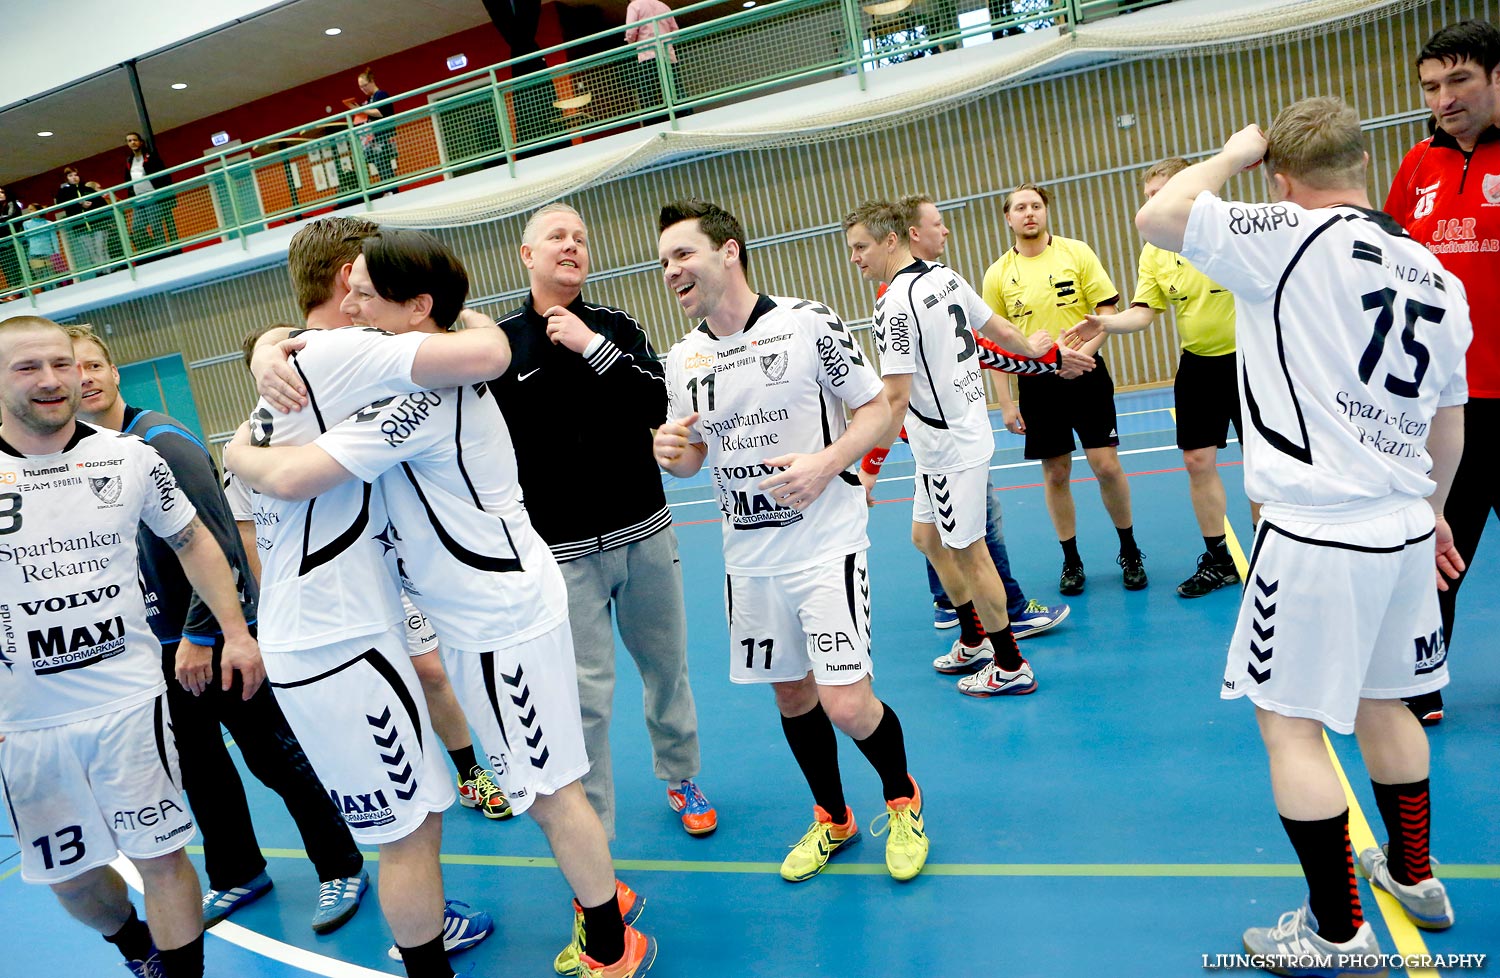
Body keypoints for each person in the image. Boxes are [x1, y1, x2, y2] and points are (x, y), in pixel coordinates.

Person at [226, 227, 655, 978]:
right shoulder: (420, 362)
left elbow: (295, 476)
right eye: (349, 289)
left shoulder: (419, 397)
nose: (355, 305)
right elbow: (474, 335)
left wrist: (233, 454)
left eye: (369, 292)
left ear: (414, 307)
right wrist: (271, 345)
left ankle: (611, 942)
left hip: (500, 615)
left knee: (550, 790)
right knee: (543, 786)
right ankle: (605, 908)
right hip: (485, 608)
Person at [1137, 97, 1469, 971]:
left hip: (1318, 528)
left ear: (1281, 176)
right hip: (1401, 525)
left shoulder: (1284, 231)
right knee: (1386, 703)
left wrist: (1232, 149)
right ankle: (1417, 876)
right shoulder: (1436, 273)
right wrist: (1435, 513)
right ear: (1363, 164)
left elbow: (1158, 213)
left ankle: (1337, 929)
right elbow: (1450, 427)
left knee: (1290, 727)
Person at [223, 218, 506, 978]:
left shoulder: (289, 368)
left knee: (409, 818)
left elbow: (244, 466)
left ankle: (427, 927)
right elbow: (485, 347)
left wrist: (260, 356)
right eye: (373, 272)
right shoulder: (350, 354)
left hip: (315, 632)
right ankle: (424, 956)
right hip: (337, 639)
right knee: (408, 833)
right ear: (350, 276)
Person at [653, 198, 930, 885]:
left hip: (825, 545)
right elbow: (693, 458)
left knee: (846, 703)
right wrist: (671, 450)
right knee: (793, 697)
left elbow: (877, 409)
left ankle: (901, 798)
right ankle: (832, 817)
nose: (670, 270)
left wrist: (828, 462)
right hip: (747, 557)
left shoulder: (806, 324)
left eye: (683, 254)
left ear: (729, 251)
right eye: (663, 261)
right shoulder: (682, 358)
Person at [68, 325, 372, 934]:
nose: (86, 379)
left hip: (218, 637)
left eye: (95, 365)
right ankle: (237, 873)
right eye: (74, 370)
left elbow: (221, 546)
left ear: (114, 371)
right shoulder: (90, 457)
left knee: (275, 757)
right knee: (200, 768)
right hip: (158, 649)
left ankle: (341, 863)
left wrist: (208, 635)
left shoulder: (162, 443)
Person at [0, 314, 264, 978]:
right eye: (28, 367)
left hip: (128, 700)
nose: (53, 380)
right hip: (26, 722)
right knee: (75, 884)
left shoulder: (129, 456)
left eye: (62, 363)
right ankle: (133, 942)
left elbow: (193, 539)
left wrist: (234, 631)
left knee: (162, 855)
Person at [222, 324, 512, 823]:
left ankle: (469, 772)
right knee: (373, 713)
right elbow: (249, 532)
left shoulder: (341, 421)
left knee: (430, 672)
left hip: (383, 574)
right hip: (318, 608)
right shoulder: (249, 444)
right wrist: (269, 596)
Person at [492, 203, 711, 846]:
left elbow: (656, 400)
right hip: (561, 556)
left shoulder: (615, 326)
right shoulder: (500, 344)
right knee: (585, 699)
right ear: (527, 255)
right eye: (557, 237)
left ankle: (681, 774)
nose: (572, 246)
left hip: (644, 535)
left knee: (666, 670)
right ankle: (594, 827)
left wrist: (591, 349)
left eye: (581, 238)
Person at [846, 200, 1091, 697]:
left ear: (891, 240)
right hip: (953, 438)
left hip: (948, 447)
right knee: (927, 538)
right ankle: (974, 637)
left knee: (969, 552)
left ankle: (1009, 663)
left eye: (861, 247)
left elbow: (893, 399)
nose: (854, 257)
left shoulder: (895, 303)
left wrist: (868, 468)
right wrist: (1047, 358)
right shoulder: (943, 277)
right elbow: (997, 332)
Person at [1060, 160, 1250, 598]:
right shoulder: (1155, 249)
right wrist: (1104, 324)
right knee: (1196, 462)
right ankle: (1219, 560)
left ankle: (1270, 557)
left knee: (1262, 463)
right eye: (1148, 197)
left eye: (1162, 193)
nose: (1153, 205)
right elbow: (1145, 312)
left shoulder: (1229, 228)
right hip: (1198, 365)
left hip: (1249, 362)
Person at [1384, 19, 1500, 727]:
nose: (1444, 99)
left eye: (1459, 80)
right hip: (1445, 409)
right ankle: (1421, 680)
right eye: (1431, 87)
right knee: (1436, 549)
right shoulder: (1418, 165)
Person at [895, 193, 1071, 638]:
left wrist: (1042, 358)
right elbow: (979, 349)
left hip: (953, 428)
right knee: (965, 532)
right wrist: (1045, 361)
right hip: (947, 434)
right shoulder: (902, 296)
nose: (947, 229)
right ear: (912, 233)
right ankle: (1002, 620)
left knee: (943, 529)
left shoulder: (940, 280)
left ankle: (965, 619)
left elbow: (981, 343)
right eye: (938, 223)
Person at [983, 183, 1147, 594]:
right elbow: (994, 343)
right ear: (1008, 218)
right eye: (1020, 208)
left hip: (1086, 375)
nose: (1029, 213)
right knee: (1055, 472)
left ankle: (1129, 551)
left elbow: (1107, 309)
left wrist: (1083, 356)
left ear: (1045, 212)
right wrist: (1006, 404)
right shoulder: (998, 274)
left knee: (1106, 466)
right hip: (1036, 384)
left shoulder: (1077, 252)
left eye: (1036, 205)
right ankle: (1071, 560)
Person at [623, 0, 683, 117]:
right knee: (674, 89)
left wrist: (631, 42)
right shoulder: (663, 6)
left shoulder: (635, 5)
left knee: (649, 93)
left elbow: (630, 32)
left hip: (648, 55)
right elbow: (675, 32)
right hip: (668, 55)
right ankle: (684, 115)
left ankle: (652, 121)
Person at [123, 132, 176, 255]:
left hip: (152, 196)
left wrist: (164, 193)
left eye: (135, 140)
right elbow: (128, 180)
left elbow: (163, 175)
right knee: (136, 229)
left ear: (140, 142)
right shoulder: (129, 160)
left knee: (156, 227)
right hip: (138, 200)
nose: (132, 143)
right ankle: (152, 251)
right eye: (129, 141)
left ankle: (163, 252)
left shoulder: (151, 157)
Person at [355, 68, 399, 186]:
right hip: (375, 136)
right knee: (379, 164)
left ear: (371, 82)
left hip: (383, 135)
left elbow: (381, 113)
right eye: (360, 87)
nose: (363, 89)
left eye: (364, 86)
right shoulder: (370, 98)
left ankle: (392, 190)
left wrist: (363, 110)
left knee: (384, 165)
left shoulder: (381, 94)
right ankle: (388, 189)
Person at [20, 205, 61, 290]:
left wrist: (57, 253)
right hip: (34, 253)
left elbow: (54, 238)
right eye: (29, 210)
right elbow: (27, 237)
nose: (29, 212)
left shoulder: (49, 223)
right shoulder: (26, 224)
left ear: (38, 210)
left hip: (48, 253)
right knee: (40, 279)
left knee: (52, 276)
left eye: (31, 209)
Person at [0, 187, 25, 293]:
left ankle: (23, 290)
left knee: (17, 267)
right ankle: (14, 291)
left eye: (2, 192)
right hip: (2, 244)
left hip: (13, 241)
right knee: (7, 269)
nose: (0, 194)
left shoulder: (11, 203)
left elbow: (11, 216)